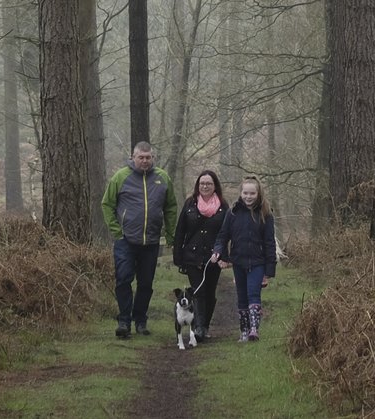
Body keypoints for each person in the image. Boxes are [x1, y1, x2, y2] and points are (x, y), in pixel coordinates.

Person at [101, 142, 178, 339]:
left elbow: (170, 207)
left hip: (151, 241)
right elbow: (107, 204)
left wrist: (170, 235)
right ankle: (124, 321)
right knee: (124, 279)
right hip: (125, 240)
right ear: (133, 157)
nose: (144, 161)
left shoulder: (162, 178)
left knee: (146, 283)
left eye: (148, 157)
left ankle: (141, 321)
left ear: (153, 158)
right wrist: (116, 231)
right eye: (141, 157)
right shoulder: (121, 177)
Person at [210, 176, 277, 342]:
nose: (248, 196)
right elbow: (223, 236)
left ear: (258, 193)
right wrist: (220, 254)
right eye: (245, 193)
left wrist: (269, 271)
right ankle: (244, 331)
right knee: (242, 296)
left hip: (258, 262)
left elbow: (270, 243)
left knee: (253, 293)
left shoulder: (265, 214)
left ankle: (254, 329)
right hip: (238, 261)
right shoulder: (232, 212)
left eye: (252, 193)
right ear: (241, 193)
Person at [172, 170, 229, 342]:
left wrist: (225, 257)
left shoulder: (223, 206)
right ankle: (198, 327)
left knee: (210, 293)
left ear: (215, 186)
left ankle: (205, 325)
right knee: (199, 291)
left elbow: (227, 233)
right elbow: (180, 230)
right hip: (192, 257)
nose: (205, 186)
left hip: (213, 257)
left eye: (209, 183)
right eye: (202, 183)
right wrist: (178, 256)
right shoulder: (190, 203)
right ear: (198, 185)